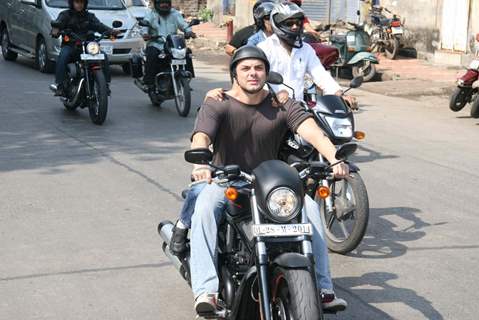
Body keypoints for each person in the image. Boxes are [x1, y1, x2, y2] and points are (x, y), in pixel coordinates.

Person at [189, 46, 348, 315]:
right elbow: (201, 136)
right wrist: (201, 164)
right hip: (227, 179)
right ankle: (207, 290)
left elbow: (312, 131)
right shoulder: (218, 102)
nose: (253, 73)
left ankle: (323, 288)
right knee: (204, 209)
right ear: (234, 74)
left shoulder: (281, 102)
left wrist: (335, 158)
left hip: (272, 185)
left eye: (259, 68)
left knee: (310, 211)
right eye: (246, 68)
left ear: (267, 72)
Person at [257, 1, 356, 105]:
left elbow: (320, 74)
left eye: (298, 23)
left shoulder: (305, 49)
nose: (295, 27)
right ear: (278, 24)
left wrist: (339, 94)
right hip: (271, 107)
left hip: (298, 108)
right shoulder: (264, 48)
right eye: (289, 23)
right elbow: (257, 79)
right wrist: (273, 94)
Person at [50, 0, 120, 96]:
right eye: (77, 2)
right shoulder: (65, 15)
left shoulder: (89, 16)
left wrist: (111, 31)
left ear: (85, 3)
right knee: (63, 56)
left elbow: (99, 26)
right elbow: (58, 24)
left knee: (103, 56)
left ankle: (105, 85)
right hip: (71, 44)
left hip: (88, 46)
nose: (79, 5)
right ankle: (60, 85)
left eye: (82, 2)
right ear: (72, 3)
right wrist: (55, 31)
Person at [141, 0, 196, 90]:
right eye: (162, 3)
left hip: (172, 43)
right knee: (152, 54)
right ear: (156, 4)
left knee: (187, 53)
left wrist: (189, 31)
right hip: (156, 43)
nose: (164, 5)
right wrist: (145, 34)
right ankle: (149, 82)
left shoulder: (175, 13)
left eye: (166, 2)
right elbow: (145, 25)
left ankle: (186, 79)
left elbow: (183, 25)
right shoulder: (150, 13)